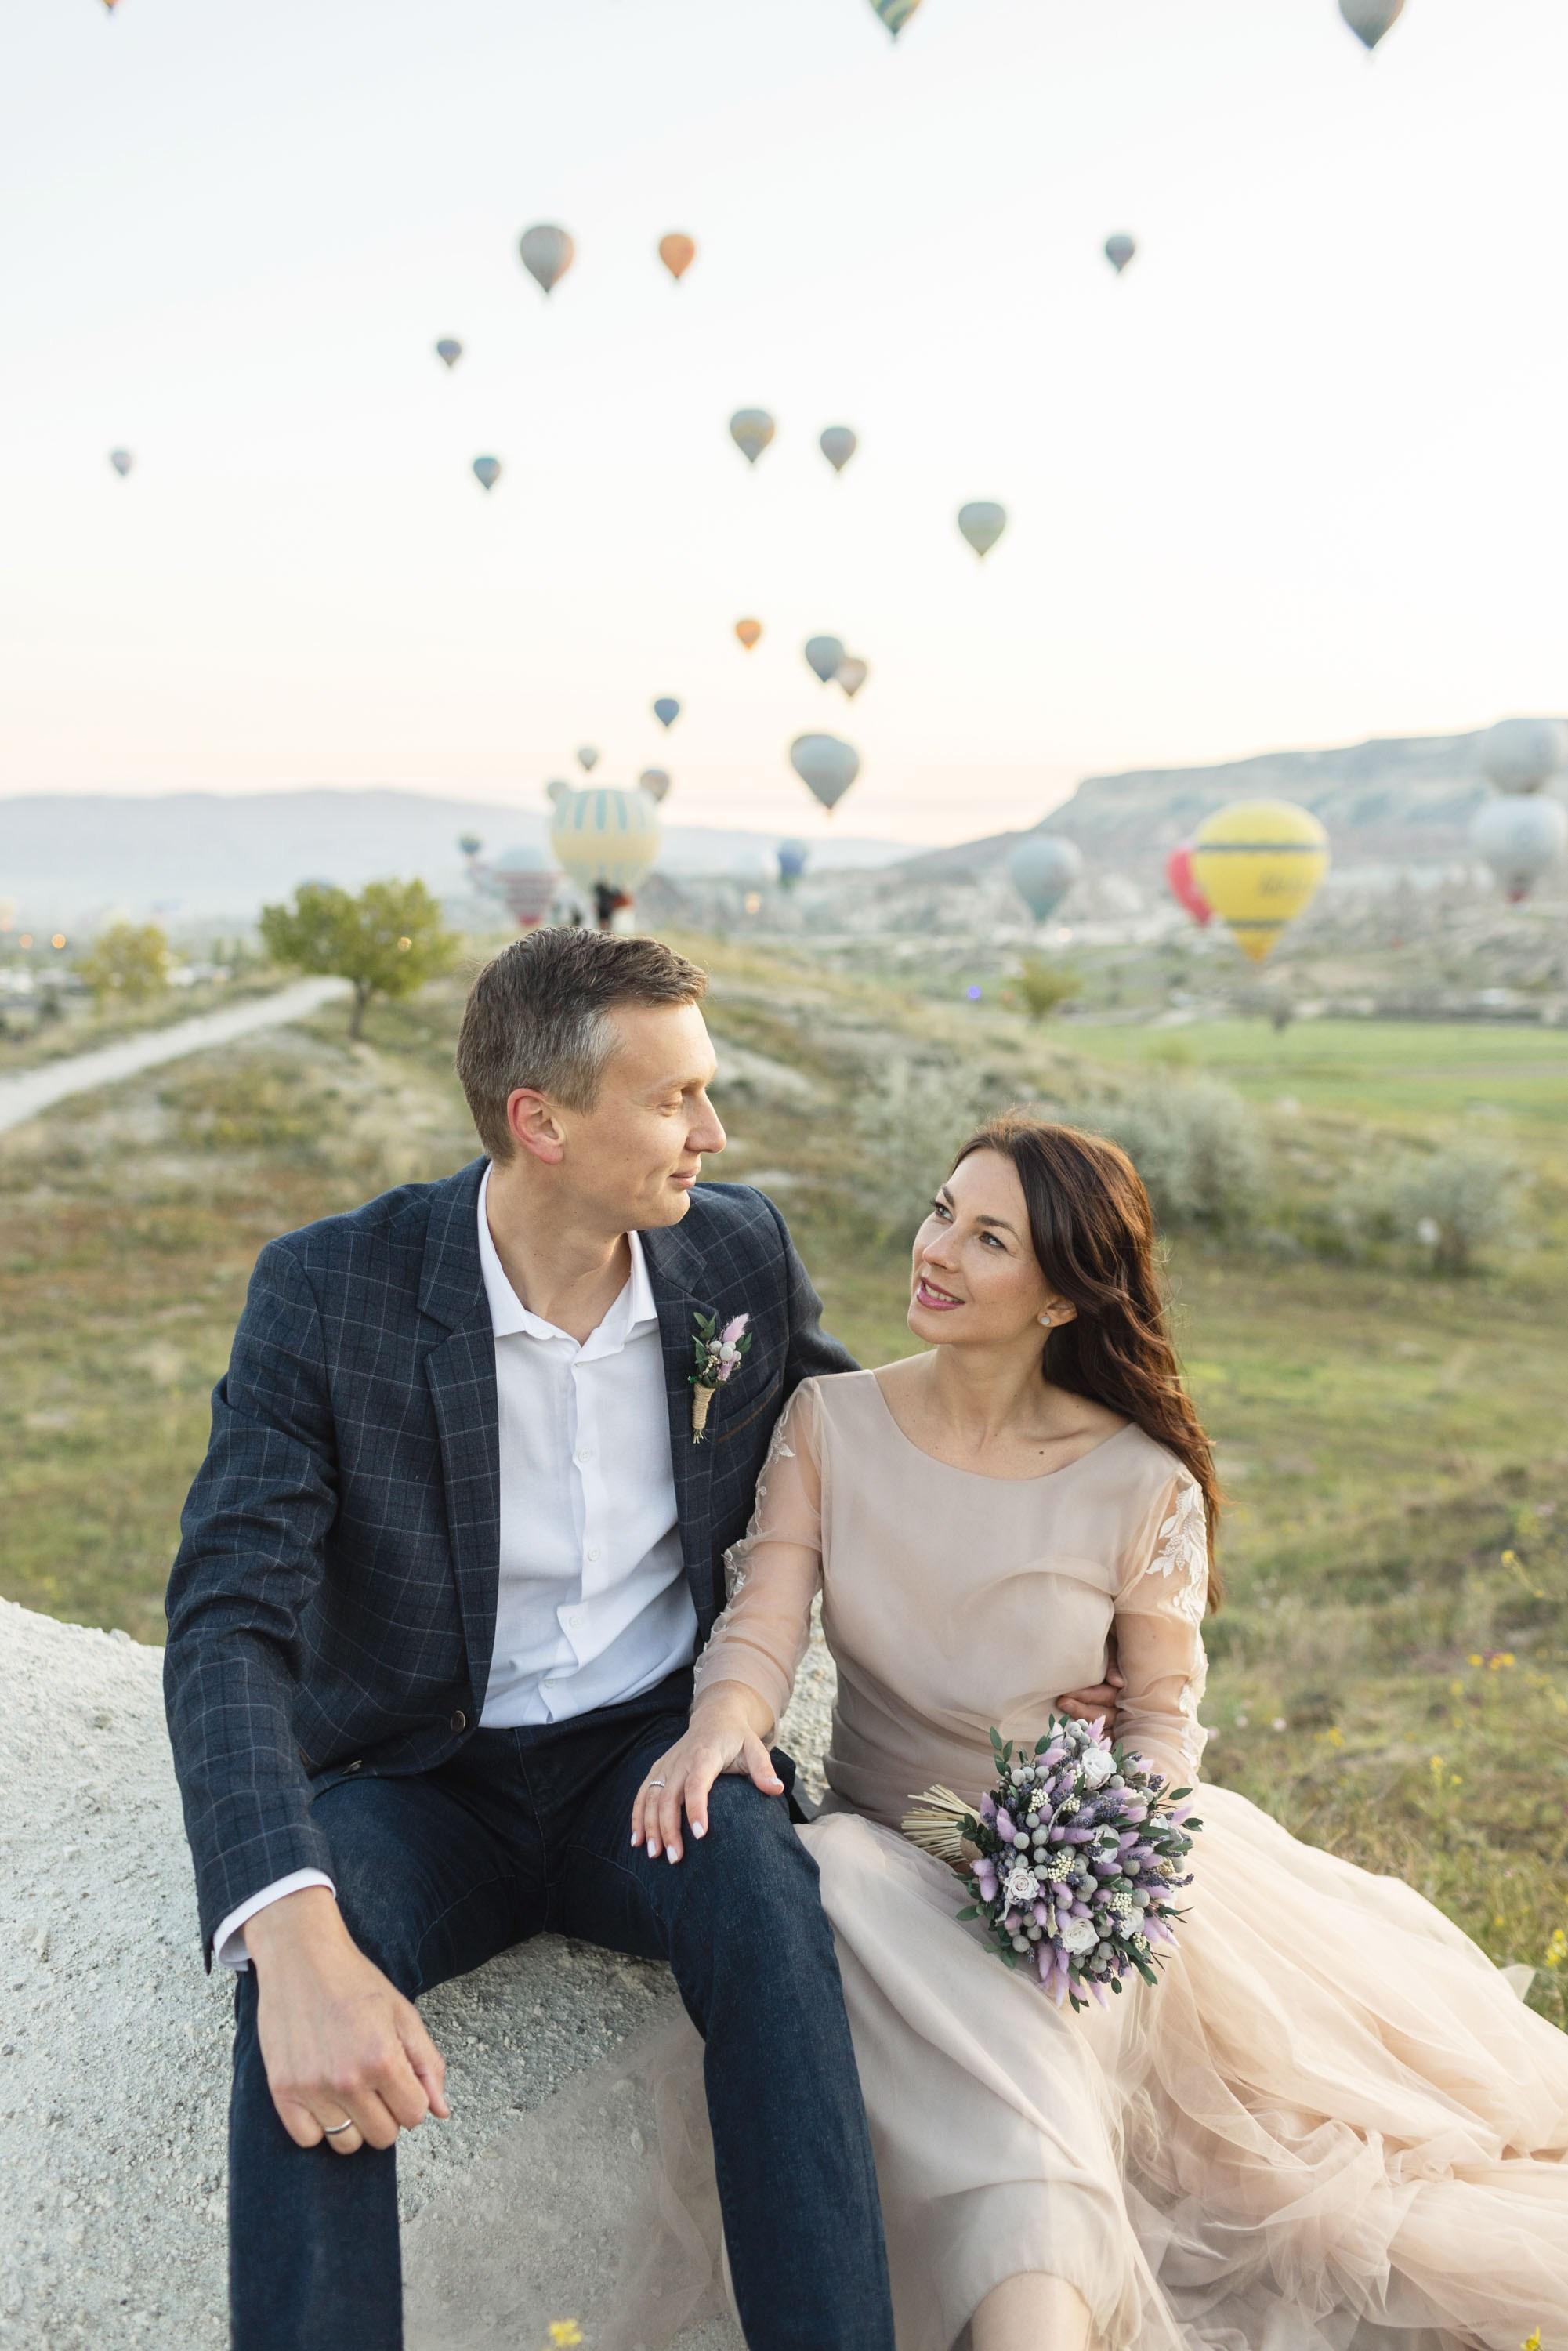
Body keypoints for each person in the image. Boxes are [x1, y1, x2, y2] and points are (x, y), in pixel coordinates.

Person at [162, 932, 1120, 2351]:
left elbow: (869, 1471)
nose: (712, 1133)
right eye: (674, 1099)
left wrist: (1045, 1635)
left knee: (773, 1914)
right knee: (304, 1998)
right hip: (414, 1778)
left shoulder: (733, 1251)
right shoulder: (330, 1290)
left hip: (650, 1766)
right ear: (540, 1122)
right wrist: (286, 1929)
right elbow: (226, 1617)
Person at [636, 1112, 1568, 2351]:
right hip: (885, 1855)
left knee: (1077, 2063)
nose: (936, 1251)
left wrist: (1105, 1873)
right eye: (940, 1213)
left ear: (1063, 1298)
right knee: (842, 1869)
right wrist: (721, 1724)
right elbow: (761, 1626)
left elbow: (1159, 1729)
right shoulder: (831, 1423)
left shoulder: (1140, 1483)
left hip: (1076, 1896)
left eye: (988, 1239)